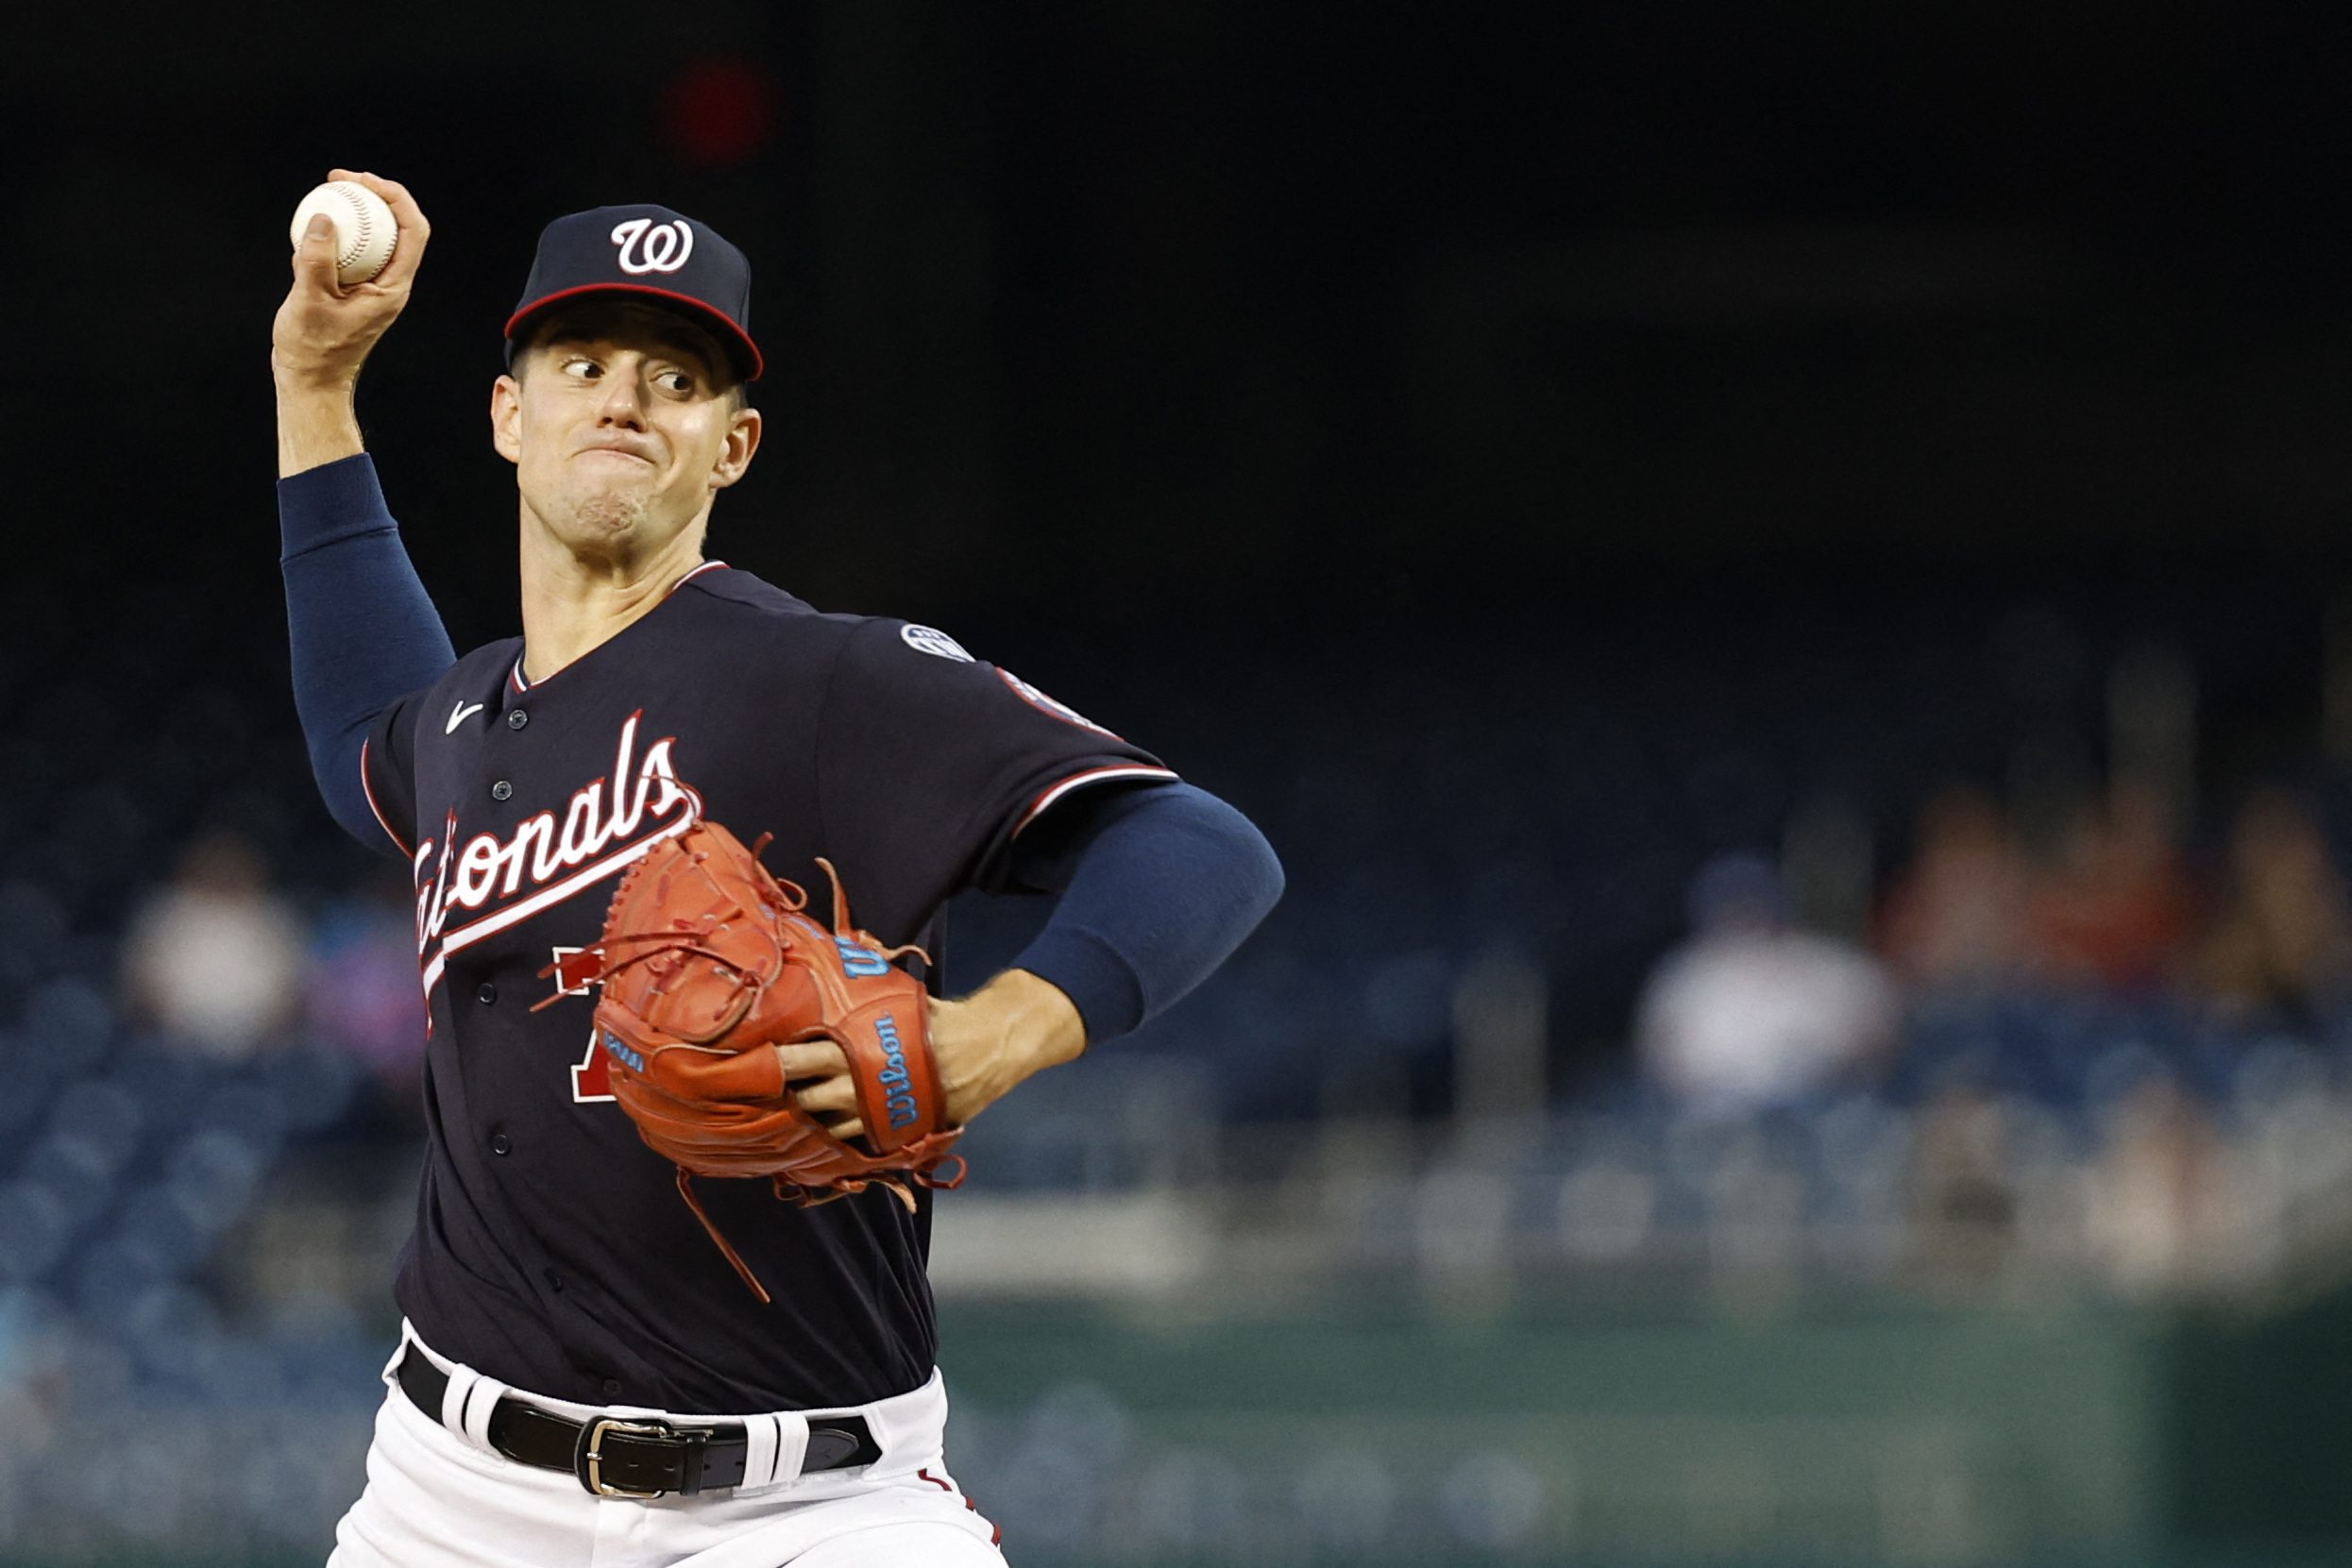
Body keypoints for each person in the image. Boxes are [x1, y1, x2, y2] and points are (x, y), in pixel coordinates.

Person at [272, 172, 1282, 1566]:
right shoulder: (460, 721)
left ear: (731, 446)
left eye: (674, 379)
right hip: (450, 1496)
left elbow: (1201, 844)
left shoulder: (821, 676)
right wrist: (315, 389)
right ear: (512, 416)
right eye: (582, 365)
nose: (623, 398)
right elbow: (352, 739)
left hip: (807, 1504)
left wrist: (992, 1034)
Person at [1635, 852, 1897, 1110]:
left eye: (1752, 906)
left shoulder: (1827, 966)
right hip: (1717, 1115)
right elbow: (1661, 1057)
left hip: (1824, 1108)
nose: (1743, 918)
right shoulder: (1684, 979)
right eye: (1732, 909)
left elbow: (1877, 1030)